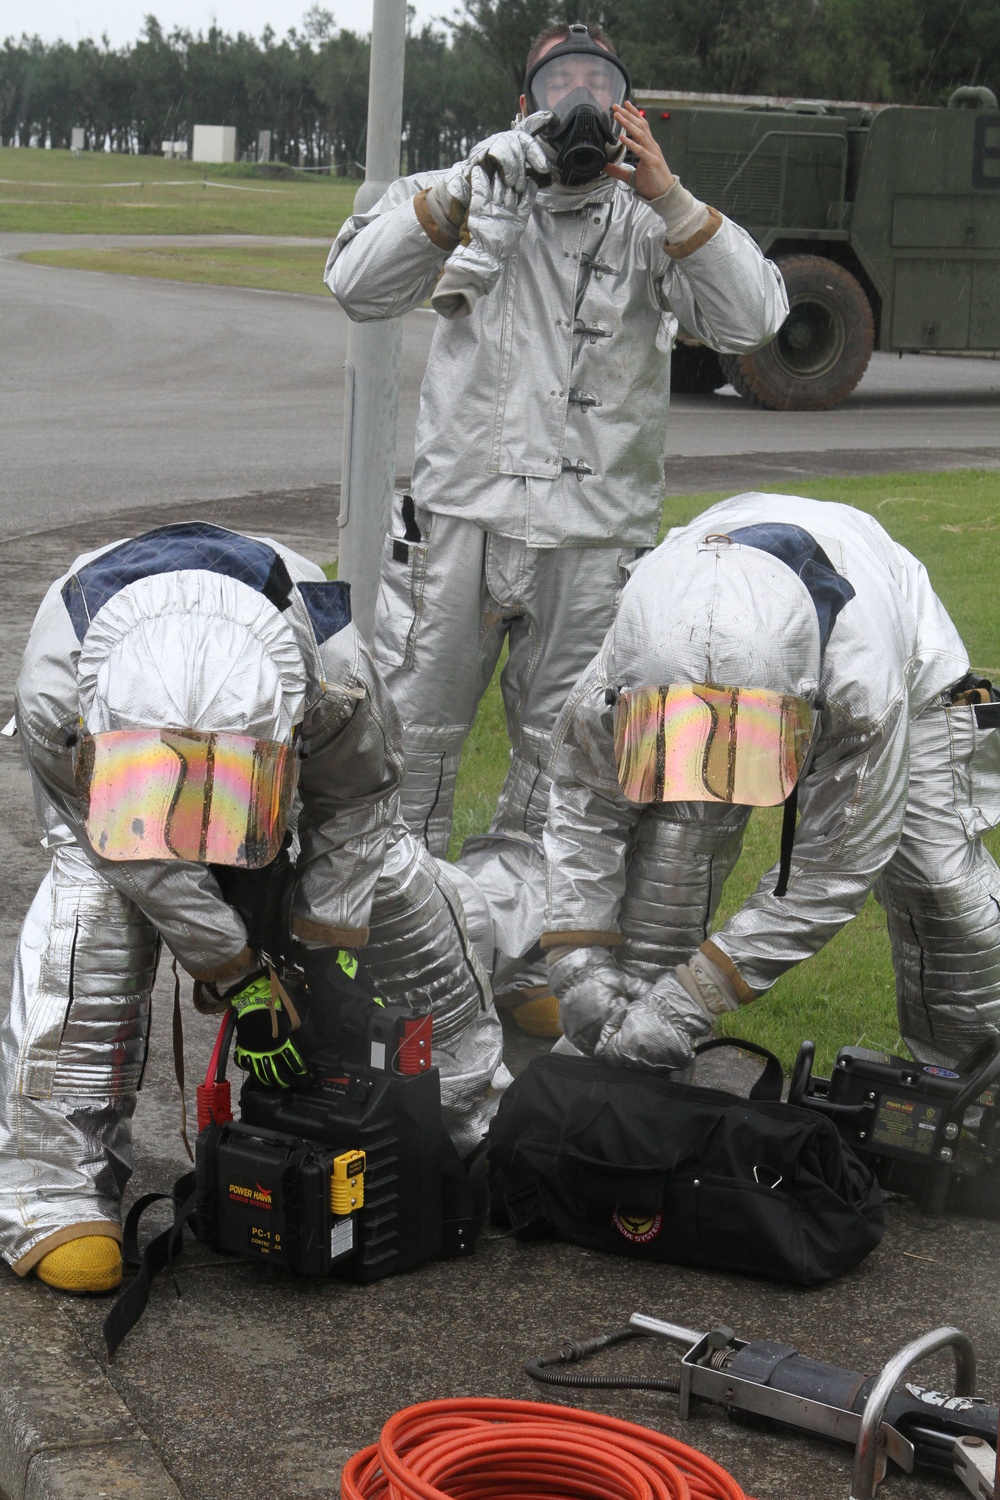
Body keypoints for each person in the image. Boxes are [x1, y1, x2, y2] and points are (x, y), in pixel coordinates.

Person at [325, 22, 788, 865]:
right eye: (558, 84)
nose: (579, 102)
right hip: (460, 522)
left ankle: (522, 961)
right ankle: (408, 950)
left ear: (630, 109)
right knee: (408, 752)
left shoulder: (653, 222)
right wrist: (462, 192)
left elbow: (753, 320)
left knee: (560, 766)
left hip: (594, 537)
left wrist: (672, 199)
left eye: (600, 85)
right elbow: (356, 288)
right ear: (524, 106)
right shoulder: (465, 188)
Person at [1, 520, 504, 1293]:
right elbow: (132, 853)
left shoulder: (338, 679)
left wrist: (325, 940)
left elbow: (359, 804)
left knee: (399, 892)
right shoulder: (56, 700)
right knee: (94, 916)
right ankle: (52, 1187)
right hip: (117, 813)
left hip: (283, 755)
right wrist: (240, 974)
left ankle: (466, 1118)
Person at [542, 493, 1000, 1072]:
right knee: (675, 849)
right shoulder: (629, 663)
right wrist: (578, 957)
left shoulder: (864, 691)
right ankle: (623, 1061)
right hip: (716, 626)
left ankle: (973, 1096)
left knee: (942, 892)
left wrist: (695, 997)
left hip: (905, 665)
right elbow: (587, 807)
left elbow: (833, 868)